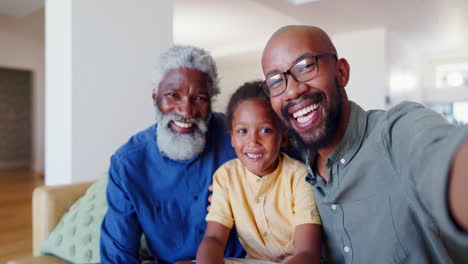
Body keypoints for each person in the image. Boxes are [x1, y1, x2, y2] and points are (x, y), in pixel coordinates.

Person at [260, 25, 468, 263]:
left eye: (306, 66)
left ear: (341, 72)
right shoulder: (298, 171)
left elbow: (444, 158)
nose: (293, 91)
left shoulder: (396, 132)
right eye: (275, 81)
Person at [100, 45, 244, 264]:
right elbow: (117, 256)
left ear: (211, 100)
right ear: (155, 96)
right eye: (173, 95)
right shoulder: (128, 164)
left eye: (200, 98)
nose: (186, 111)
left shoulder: (240, 139)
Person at [195, 81, 322, 264]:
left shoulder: (299, 177)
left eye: (265, 130)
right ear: (232, 138)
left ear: (283, 137)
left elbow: (308, 253)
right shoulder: (226, 177)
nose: (253, 141)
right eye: (243, 131)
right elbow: (214, 239)